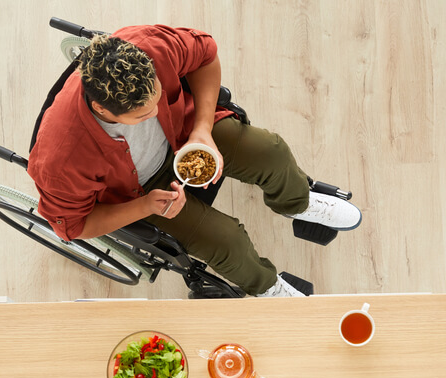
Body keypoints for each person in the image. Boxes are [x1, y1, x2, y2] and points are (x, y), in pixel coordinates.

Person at [28, 25, 361, 297]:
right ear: (102, 110)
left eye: (158, 97)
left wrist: (201, 129)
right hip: (138, 193)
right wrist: (146, 207)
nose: (154, 112)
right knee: (227, 241)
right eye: (142, 114)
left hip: (185, 130)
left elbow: (206, 55)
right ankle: (266, 286)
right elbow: (73, 227)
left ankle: (295, 202)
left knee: (270, 152)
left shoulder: (148, 45)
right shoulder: (60, 159)